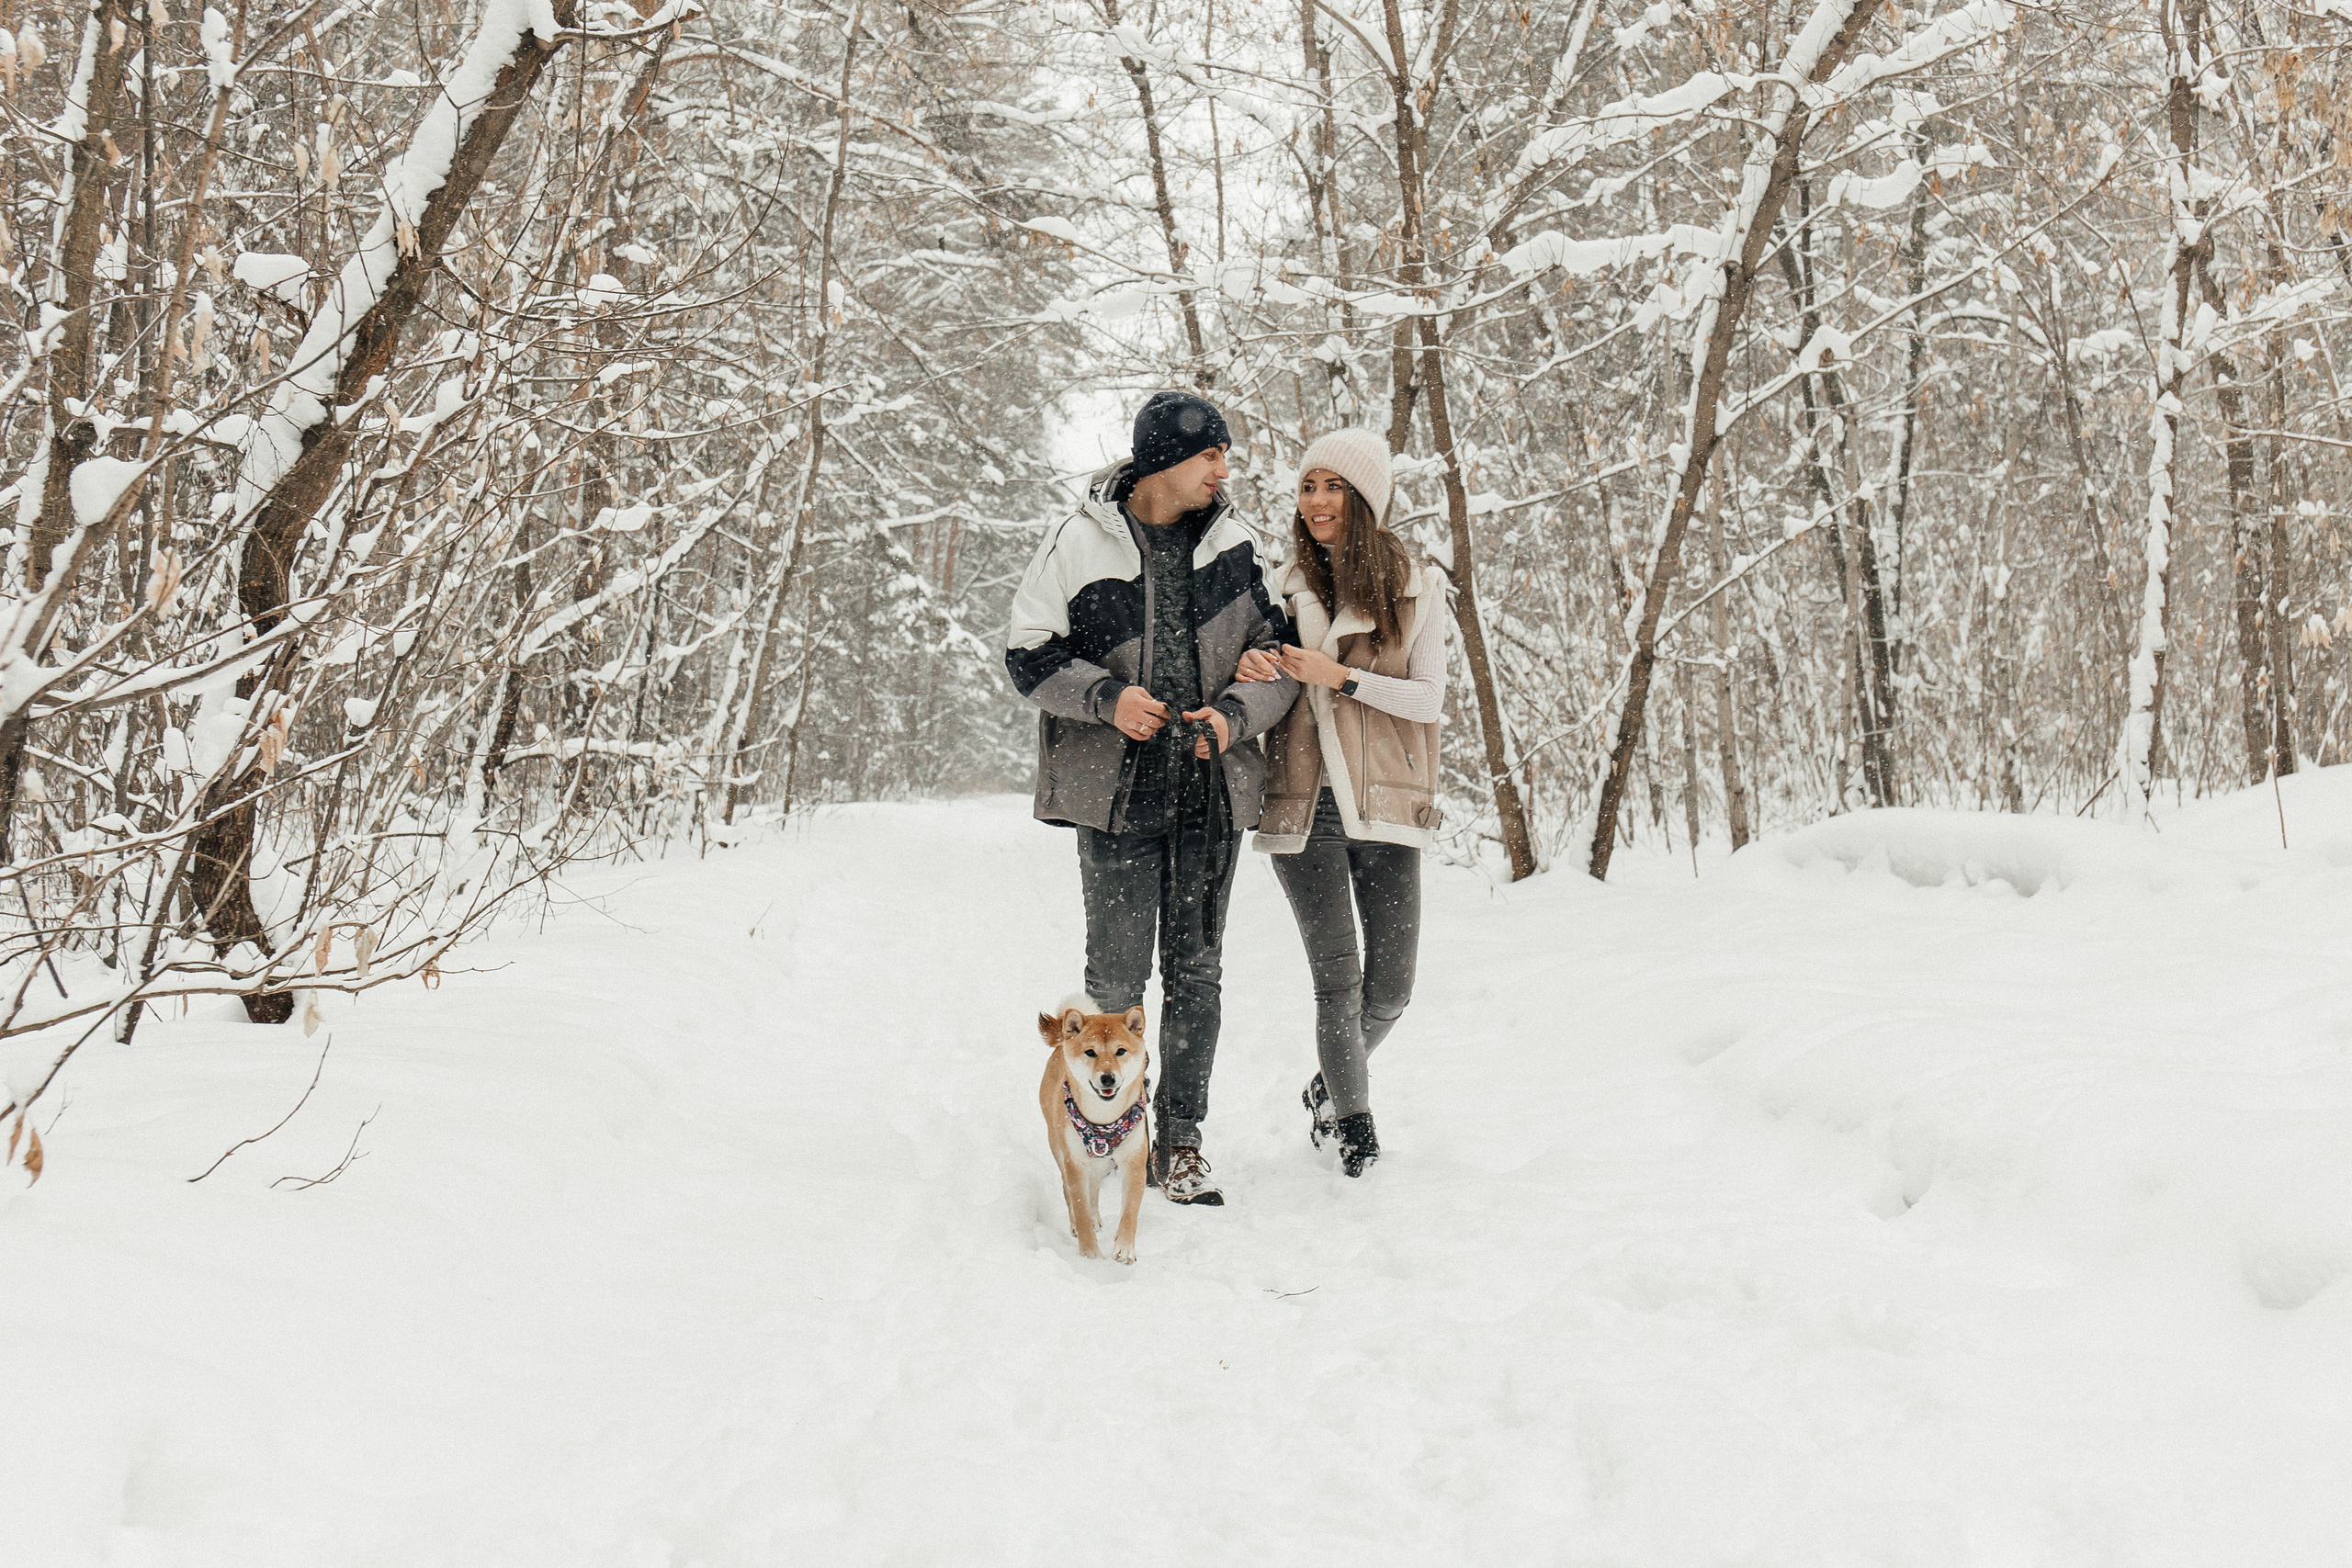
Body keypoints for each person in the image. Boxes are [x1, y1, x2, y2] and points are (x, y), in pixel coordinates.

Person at [1005, 392, 1299, 1206]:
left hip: (1211, 792)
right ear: (1165, 460)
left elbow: (1279, 661)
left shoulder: (1236, 545)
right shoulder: (1078, 540)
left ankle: (1180, 1144)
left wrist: (1233, 718)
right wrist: (1106, 698)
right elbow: (1026, 654)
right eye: (1211, 456)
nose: (1223, 471)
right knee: (1118, 981)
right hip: (1116, 796)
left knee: (1197, 976)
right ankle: (1104, 1134)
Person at [1238, 429, 1446, 1178]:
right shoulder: (1277, 582)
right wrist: (1255, 662)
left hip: (1387, 801)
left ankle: (1330, 1085)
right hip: (1304, 802)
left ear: (1364, 498)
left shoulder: (1416, 584)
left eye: (1333, 486)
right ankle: (1356, 1133)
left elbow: (1428, 699)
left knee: (1391, 990)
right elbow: (1255, 672)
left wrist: (1342, 676)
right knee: (1339, 980)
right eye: (1307, 486)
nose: (1317, 500)